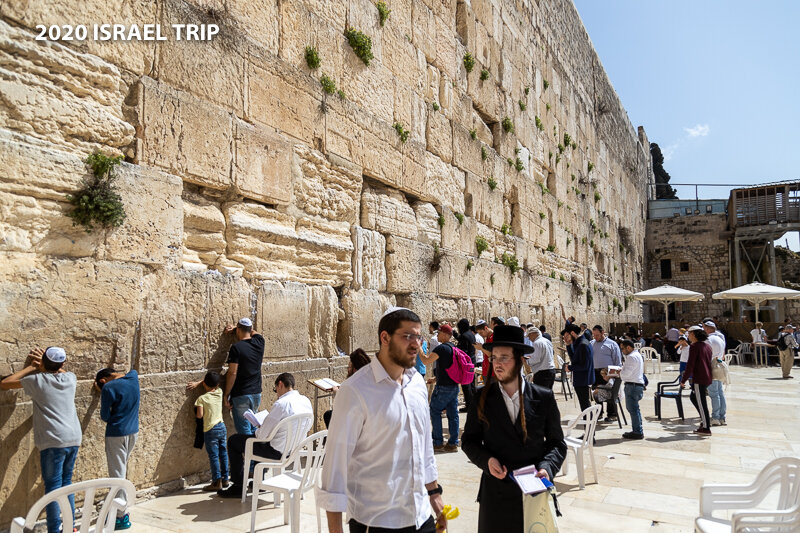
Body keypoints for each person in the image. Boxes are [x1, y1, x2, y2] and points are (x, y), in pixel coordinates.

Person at [318, 307, 447, 533]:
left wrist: (434, 495)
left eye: (418, 336)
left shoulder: (417, 382)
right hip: (377, 522)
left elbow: (424, 444)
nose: (416, 344)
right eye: (407, 336)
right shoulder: (355, 391)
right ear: (385, 337)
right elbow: (335, 470)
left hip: (421, 517)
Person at [461, 325, 566, 532]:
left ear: (520, 360)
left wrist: (547, 467)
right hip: (496, 493)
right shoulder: (481, 397)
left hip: (533, 492)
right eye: (494, 358)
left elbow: (556, 443)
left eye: (504, 358)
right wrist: (487, 460)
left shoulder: (542, 397)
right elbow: (469, 441)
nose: (497, 364)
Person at [1, 348, 82, 533]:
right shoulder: (71, 378)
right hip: (73, 437)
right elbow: (61, 370)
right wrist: (49, 366)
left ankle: (55, 530)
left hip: (54, 440)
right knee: (66, 482)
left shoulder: (38, 380)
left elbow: (5, 383)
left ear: (43, 363)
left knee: (53, 487)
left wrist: (31, 367)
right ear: (62, 364)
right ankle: (70, 527)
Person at [217, 372, 312, 497]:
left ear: (280, 384)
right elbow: (308, 425)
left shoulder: (281, 404)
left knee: (234, 441)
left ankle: (238, 486)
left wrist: (260, 426)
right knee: (261, 442)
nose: (276, 393)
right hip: (294, 449)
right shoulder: (305, 400)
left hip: (277, 452)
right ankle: (259, 481)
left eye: (275, 389)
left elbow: (261, 436)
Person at [187, 318, 264, 436]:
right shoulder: (260, 342)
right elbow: (255, 332)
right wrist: (236, 328)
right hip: (256, 393)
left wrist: (227, 393)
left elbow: (232, 373)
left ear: (238, 330)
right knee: (253, 426)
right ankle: (255, 452)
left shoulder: (236, 348)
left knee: (244, 431)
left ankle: (247, 453)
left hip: (241, 394)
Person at [95, 366, 140, 529]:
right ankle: (119, 507)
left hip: (116, 433)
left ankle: (121, 516)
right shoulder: (134, 377)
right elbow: (130, 370)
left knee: (117, 475)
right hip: (133, 431)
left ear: (102, 380)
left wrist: (103, 390)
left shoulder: (108, 387)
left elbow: (105, 416)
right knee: (121, 471)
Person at [420, 324, 460, 452]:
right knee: (453, 414)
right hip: (454, 386)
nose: (437, 335)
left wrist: (419, 347)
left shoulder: (442, 348)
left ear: (446, 335)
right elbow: (449, 369)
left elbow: (426, 361)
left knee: (435, 411)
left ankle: (437, 442)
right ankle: (453, 443)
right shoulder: (453, 348)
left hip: (444, 388)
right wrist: (435, 379)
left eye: (440, 332)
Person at [194, 371, 229, 492]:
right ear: (217, 385)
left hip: (210, 429)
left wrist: (199, 383)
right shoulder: (219, 392)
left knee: (214, 455)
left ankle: (216, 482)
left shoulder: (201, 399)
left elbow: (200, 415)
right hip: (222, 427)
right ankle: (225, 479)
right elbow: (214, 384)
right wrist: (203, 382)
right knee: (223, 453)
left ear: (204, 384)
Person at [324, 349, 372, 428]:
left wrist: (337, 391)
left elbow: (343, 406)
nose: (348, 370)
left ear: (355, 370)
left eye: (349, 367)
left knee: (329, 415)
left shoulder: (352, 385)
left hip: (355, 425)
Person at [681, 326, 713, 436]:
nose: (688, 336)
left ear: (694, 334)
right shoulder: (707, 346)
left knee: (701, 402)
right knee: (693, 397)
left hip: (700, 378)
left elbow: (690, 364)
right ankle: (704, 421)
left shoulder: (694, 347)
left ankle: (706, 427)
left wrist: (683, 379)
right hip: (706, 376)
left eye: (689, 334)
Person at [590, 325, 622, 420]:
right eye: (594, 335)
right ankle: (599, 413)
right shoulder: (591, 343)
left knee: (610, 393)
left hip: (608, 372)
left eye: (597, 335)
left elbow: (617, 361)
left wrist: (613, 374)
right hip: (595, 372)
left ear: (602, 332)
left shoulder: (612, 344)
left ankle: (612, 414)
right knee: (596, 393)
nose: (595, 337)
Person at [562, 324, 594, 411]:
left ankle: (588, 423)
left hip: (583, 380)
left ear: (572, 333)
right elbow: (575, 360)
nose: (564, 339)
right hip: (581, 379)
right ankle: (588, 422)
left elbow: (584, 365)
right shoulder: (579, 343)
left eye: (566, 336)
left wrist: (570, 368)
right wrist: (568, 346)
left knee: (585, 406)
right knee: (584, 404)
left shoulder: (582, 344)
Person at [619, 340, 645, 439]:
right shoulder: (637, 355)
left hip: (632, 386)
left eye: (622, 348)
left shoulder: (631, 357)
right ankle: (638, 429)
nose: (622, 351)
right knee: (635, 409)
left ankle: (637, 431)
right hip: (636, 385)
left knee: (633, 409)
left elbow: (626, 374)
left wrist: (619, 373)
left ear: (628, 347)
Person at [703, 321, 727, 427]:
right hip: (720, 366)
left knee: (714, 393)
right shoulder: (720, 338)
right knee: (720, 392)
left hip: (712, 366)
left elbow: (705, 354)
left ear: (708, 329)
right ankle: (722, 417)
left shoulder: (709, 339)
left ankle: (715, 417)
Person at [457, 318, 477, 411]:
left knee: (466, 385)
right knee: (472, 384)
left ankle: (469, 406)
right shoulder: (471, 334)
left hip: (466, 364)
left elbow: (463, 351)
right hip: (472, 362)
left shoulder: (464, 336)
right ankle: (473, 404)